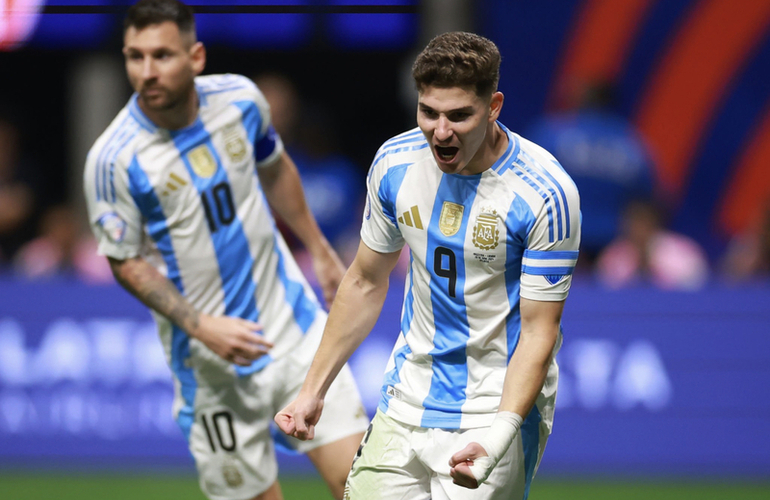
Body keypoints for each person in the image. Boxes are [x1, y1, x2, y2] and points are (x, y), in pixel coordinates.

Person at [276, 32, 581, 500]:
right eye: (429, 113)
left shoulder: (545, 194)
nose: (441, 131)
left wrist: (498, 438)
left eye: (459, 115)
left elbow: (540, 331)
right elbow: (363, 281)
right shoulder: (394, 165)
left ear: (494, 105)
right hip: (407, 399)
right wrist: (313, 389)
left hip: (492, 408)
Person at [82, 1, 368, 499]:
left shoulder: (240, 100)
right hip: (208, 365)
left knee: (361, 487)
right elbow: (123, 260)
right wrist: (200, 326)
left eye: (162, 55)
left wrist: (319, 248)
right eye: (135, 56)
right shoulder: (113, 159)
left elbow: (275, 168)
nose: (146, 71)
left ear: (195, 57)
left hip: (294, 331)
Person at [527, 80, 655, 269]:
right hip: (613, 250)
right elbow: (647, 200)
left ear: (581, 99)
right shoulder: (632, 143)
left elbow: (522, 181)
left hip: (557, 239)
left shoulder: (552, 133)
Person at [595, 198, 709, 290]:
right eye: (633, 222)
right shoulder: (614, 253)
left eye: (643, 222)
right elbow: (604, 287)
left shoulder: (683, 249)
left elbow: (697, 283)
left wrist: (653, 264)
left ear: (655, 223)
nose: (638, 228)